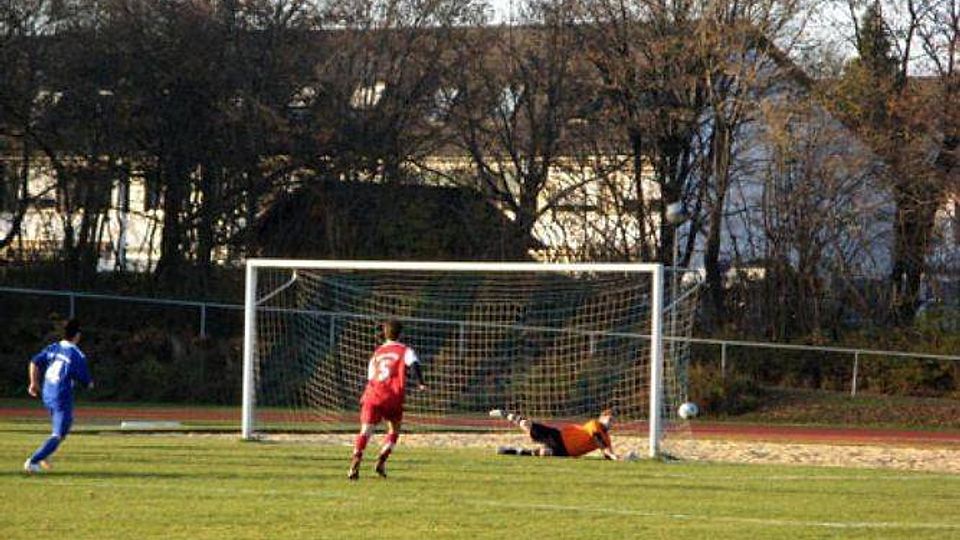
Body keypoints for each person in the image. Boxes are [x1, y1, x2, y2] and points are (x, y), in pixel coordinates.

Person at [348, 319, 426, 480]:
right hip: (392, 397)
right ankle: (381, 461)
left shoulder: (377, 352)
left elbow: (370, 377)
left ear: (384, 333)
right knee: (394, 430)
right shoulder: (405, 350)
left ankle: (355, 461)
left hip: (373, 395)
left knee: (365, 431)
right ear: (401, 333)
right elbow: (414, 364)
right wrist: (420, 382)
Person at [24, 319, 93, 474]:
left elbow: (34, 361)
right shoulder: (77, 355)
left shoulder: (54, 347)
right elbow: (87, 382)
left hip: (47, 393)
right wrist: (89, 383)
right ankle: (33, 461)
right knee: (58, 433)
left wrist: (33, 383)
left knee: (63, 429)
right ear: (77, 335)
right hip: (61, 396)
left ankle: (45, 454)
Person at [490, 408, 621, 460]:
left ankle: (510, 451)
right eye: (609, 420)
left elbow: (607, 455)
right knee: (527, 426)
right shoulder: (595, 425)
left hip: (567, 452)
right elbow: (600, 443)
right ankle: (506, 414)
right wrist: (615, 456)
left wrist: (623, 458)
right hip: (559, 438)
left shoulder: (607, 438)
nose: (611, 423)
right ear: (601, 418)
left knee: (544, 453)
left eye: (613, 421)